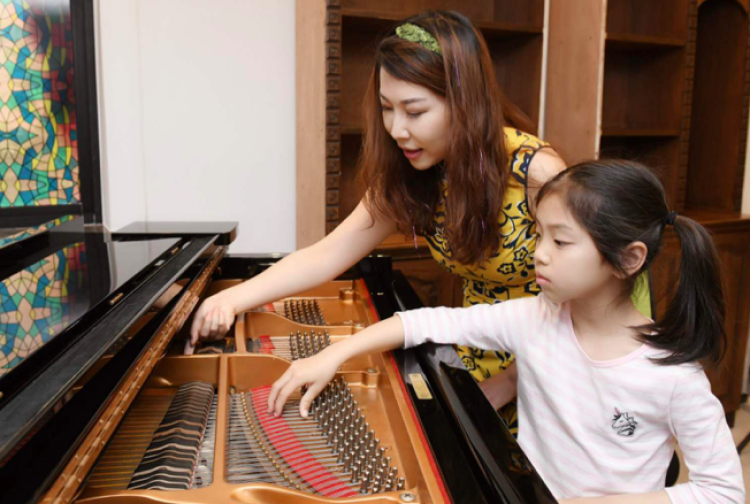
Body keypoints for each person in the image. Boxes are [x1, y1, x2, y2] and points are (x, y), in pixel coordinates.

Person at [267, 160, 744, 503]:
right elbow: (427, 321)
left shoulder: (672, 375)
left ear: (629, 258)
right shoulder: (537, 318)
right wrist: (333, 355)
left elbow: (723, 491)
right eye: (538, 235)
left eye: (560, 241)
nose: (539, 253)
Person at [186, 11, 566, 436]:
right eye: (387, 108)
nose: (397, 129)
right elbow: (327, 253)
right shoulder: (418, 172)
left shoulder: (535, 173)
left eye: (414, 111)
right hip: (474, 355)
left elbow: (588, 301)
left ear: (465, 103)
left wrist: (509, 383)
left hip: (547, 370)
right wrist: (231, 300)